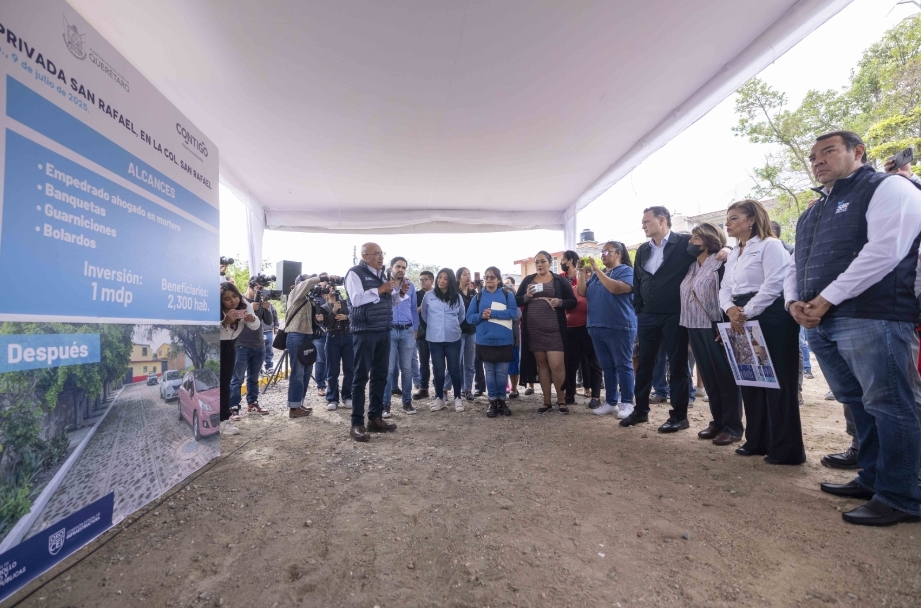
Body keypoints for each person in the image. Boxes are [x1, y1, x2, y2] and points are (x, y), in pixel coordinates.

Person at [787, 131, 921, 526]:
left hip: (872, 314)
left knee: (891, 404)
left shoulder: (888, 187)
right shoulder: (814, 210)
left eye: (828, 151)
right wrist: (793, 302)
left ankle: (902, 495)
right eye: (813, 156)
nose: (818, 160)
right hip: (819, 319)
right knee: (858, 402)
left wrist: (826, 298)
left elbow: (885, 250)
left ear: (858, 151)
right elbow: (797, 262)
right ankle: (873, 478)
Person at [627, 206, 729, 432]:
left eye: (646, 221)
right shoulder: (643, 249)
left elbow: (712, 245)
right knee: (644, 364)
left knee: (678, 365)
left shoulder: (685, 242)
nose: (643, 226)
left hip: (675, 315)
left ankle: (679, 417)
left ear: (662, 220)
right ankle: (640, 411)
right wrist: (639, 308)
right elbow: (638, 279)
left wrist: (727, 248)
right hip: (648, 315)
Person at [720, 199, 805, 465]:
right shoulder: (734, 253)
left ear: (752, 219)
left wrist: (745, 311)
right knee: (751, 378)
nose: (727, 223)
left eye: (734, 218)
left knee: (777, 382)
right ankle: (757, 440)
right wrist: (730, 309)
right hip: (740, 316)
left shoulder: (771, 245)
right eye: (727, 218)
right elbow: (725, 288)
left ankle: (786, 449)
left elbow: (775, 283)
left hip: (770, 316)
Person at [680, 223, 742, 444]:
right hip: (693, 326)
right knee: (708, 376)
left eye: (695, 238)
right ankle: (717, 422)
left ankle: (732, 426)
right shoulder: (691, 266)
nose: (691, 243)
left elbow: (729, 294)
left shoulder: (721, 262)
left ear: (708, 240)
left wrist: (725, 325)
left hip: (715, 325)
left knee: (725, 377)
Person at [345, 242, 405, 441]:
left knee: (380, 375)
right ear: (364, 256)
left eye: (382, 253)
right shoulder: (355, 273)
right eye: (376, 254)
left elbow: (388, 301)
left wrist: (399, 293)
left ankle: (375, 418)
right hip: (365, 331)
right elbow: (356, 299)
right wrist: (380, 289)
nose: (381, 257)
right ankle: (357, 423)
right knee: (360, 376)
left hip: (383, 330)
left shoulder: (382, 276)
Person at [578, 242, 636, 418]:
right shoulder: (599, 275)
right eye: (601, 251)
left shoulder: (626, 271)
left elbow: (615, 288)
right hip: (597, 326)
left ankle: (627, 403)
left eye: (606, 251)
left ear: (618, 253)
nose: (602, 254)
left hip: (619, 326)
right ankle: (611, 402)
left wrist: (597, 270)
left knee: (623, 365)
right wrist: (581, 273)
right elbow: (582, 292)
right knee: (607, 367)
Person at [515, 251, 577, 413]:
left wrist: (560, 302)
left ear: (550, 262)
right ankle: (546, 402)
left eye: (543, 261)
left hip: (555, 329)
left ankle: (561, 401)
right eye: (537, 262)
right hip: (534, 329)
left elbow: (572, 302)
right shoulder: (528, 280)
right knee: (541, 365)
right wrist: (527, 296)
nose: (539, 264)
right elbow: (516, 300)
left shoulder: (560, 280)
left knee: (557, 365)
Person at [466, 266, 517, 417]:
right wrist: (481, 315)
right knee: (489, 372)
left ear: (498, 279)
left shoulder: (507, 295)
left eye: (492, 277)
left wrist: (493, 313)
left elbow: (513, 313)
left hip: (504, 340)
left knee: (502, 373)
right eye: (486, 277)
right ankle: (492, 402)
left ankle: (502, 400)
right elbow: (469, 318)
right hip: (485, 341)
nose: (489, 279)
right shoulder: (478, 297)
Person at [560, 251, 603, 408]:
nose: (583, 275)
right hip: (571, 330)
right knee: (571, 364)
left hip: (589, 329)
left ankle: (596, 396)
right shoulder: (571, 290)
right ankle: (570, 395)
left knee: (593, 363)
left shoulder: (594, 288)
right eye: (580, 272)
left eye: (586, 272)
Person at [422, 268, 467, 412]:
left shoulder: (457, 297)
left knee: (454, 369)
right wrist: (435, 326)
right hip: (434, 339)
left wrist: (450, 326)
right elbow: (424, 315)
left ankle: (458, 398)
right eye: (440, 277)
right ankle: (439, 398)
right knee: (438, 370)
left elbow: (461, 315)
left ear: (451, 281)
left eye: (445, 278)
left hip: (453, 338)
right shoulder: (429, 295)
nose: (441, 280)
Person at [220, 282, 260, 435]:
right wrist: (225, 322)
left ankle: (223, 420)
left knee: (225, 384)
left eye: (234, 296)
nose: (233, 301)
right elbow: (209, 332)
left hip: (231, 345)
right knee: (216, 384)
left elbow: (256, 325)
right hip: (214, 345)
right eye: (226, 299)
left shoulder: (244, 304)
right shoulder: (215, 309)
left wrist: (251, 319)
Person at [229, 282, 273, 416]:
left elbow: (269, 322)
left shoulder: (261, 301)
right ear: (250, 286)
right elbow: (232, 319)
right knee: (237, 378)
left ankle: (252, 403)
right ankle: (233, 407)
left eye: (262, 288)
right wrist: (249, 310)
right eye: (258, 288)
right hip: (241, 345)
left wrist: (266, 309)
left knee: (254, 378)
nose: (260, 291)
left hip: (259, 344)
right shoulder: (240, 301)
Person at [383, 257, 420, 416]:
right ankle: (385, 404)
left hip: (407, 330)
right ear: (391, 267)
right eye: (398, 266)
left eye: (403, 267)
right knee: (388, 369)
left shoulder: (410, 286)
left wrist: (415, 328)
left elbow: (413, 308)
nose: (400, 270)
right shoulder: (384, 285)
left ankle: (407, 402)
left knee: (407, 369)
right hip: (389, 330)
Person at [285, 273, 324, 418]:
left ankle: (299, 403)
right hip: (295, 334)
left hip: (307, 335)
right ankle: (293, 408)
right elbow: (306, 283)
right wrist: (321, 278)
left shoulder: (308, 299)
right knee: (298, 372)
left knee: (307, 371)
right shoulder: (295, 292)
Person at [317, 285, 353, 411]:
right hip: (332, 338)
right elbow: (326, 324)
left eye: (333, 287)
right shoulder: (324, 307)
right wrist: (333, 311)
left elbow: (355, 316)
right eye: (329, 287)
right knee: (332, 370)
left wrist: (346, 317)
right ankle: (332, 398)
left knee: (349, 369)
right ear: (326, 292)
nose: (332, 289)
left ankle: (347, 396)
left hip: (348, 337)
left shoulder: (347, 303)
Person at [450, 267, 478, 401]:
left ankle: (468, 390)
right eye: (465, 274)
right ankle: (448, 389)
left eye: (469, 274)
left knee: (470, 363)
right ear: (458, 277)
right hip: (458, 332)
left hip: (471, 331)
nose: (468, 276)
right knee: (455, 362)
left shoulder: (473, 293)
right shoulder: (454, 292)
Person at [413, 271, 435, 401]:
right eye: (421, 279)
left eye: (425, 279)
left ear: (432, 280)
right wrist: (421, 307)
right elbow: (412, 312)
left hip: (437, 332)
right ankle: (423, 388)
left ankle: (439, 388)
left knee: (438, 362)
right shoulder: (416, 295)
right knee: (424, 362)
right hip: (422, 333)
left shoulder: (437, 294)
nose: (422, 282)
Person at [261, 295, 279, 375]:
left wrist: (276, 327)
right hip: (258, 331)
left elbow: (275, 316)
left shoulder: (270, 305)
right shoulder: (255, 305)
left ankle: (269, 366)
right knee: (259, 350)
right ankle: (259, 368)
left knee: (269, 349)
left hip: (268, 330)